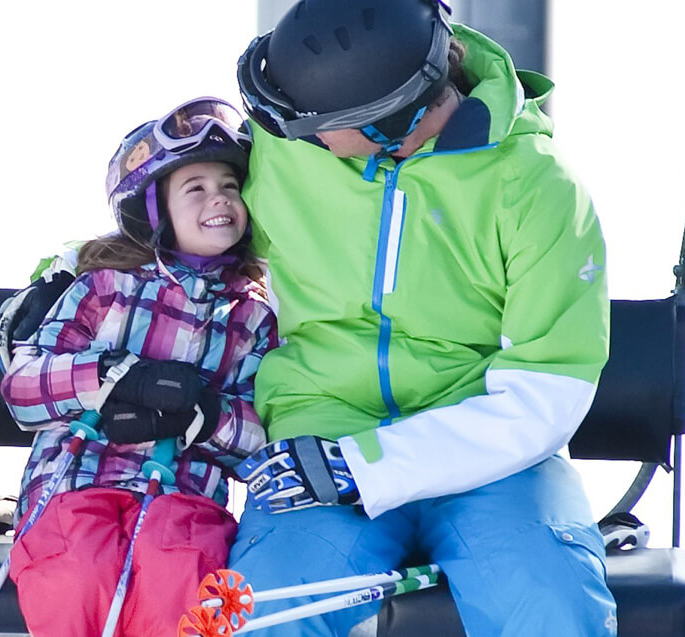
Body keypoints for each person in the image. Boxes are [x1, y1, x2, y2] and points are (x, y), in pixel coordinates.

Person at [226, 1, 616, 635]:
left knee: (550, 609)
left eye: (317, 127)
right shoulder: (287, 140)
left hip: (491, 446)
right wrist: (76, 275)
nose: (295, 135)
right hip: (321, 428)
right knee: (265, 613)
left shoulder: (536, 187)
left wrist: (368, 465)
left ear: (388, 127)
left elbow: (549, 389)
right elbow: (175, 215)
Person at [0, 97, 279, 637]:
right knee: (76, 576)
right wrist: (112, 375)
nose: (219, 200)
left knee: (182, 581)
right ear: (155, 211)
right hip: (77, 489)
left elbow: (257, 442)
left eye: (229, 186)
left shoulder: (251, 319)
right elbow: (22, 388)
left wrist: (204, 414)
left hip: (184, 500)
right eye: (194, 189)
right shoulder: (104, 290)